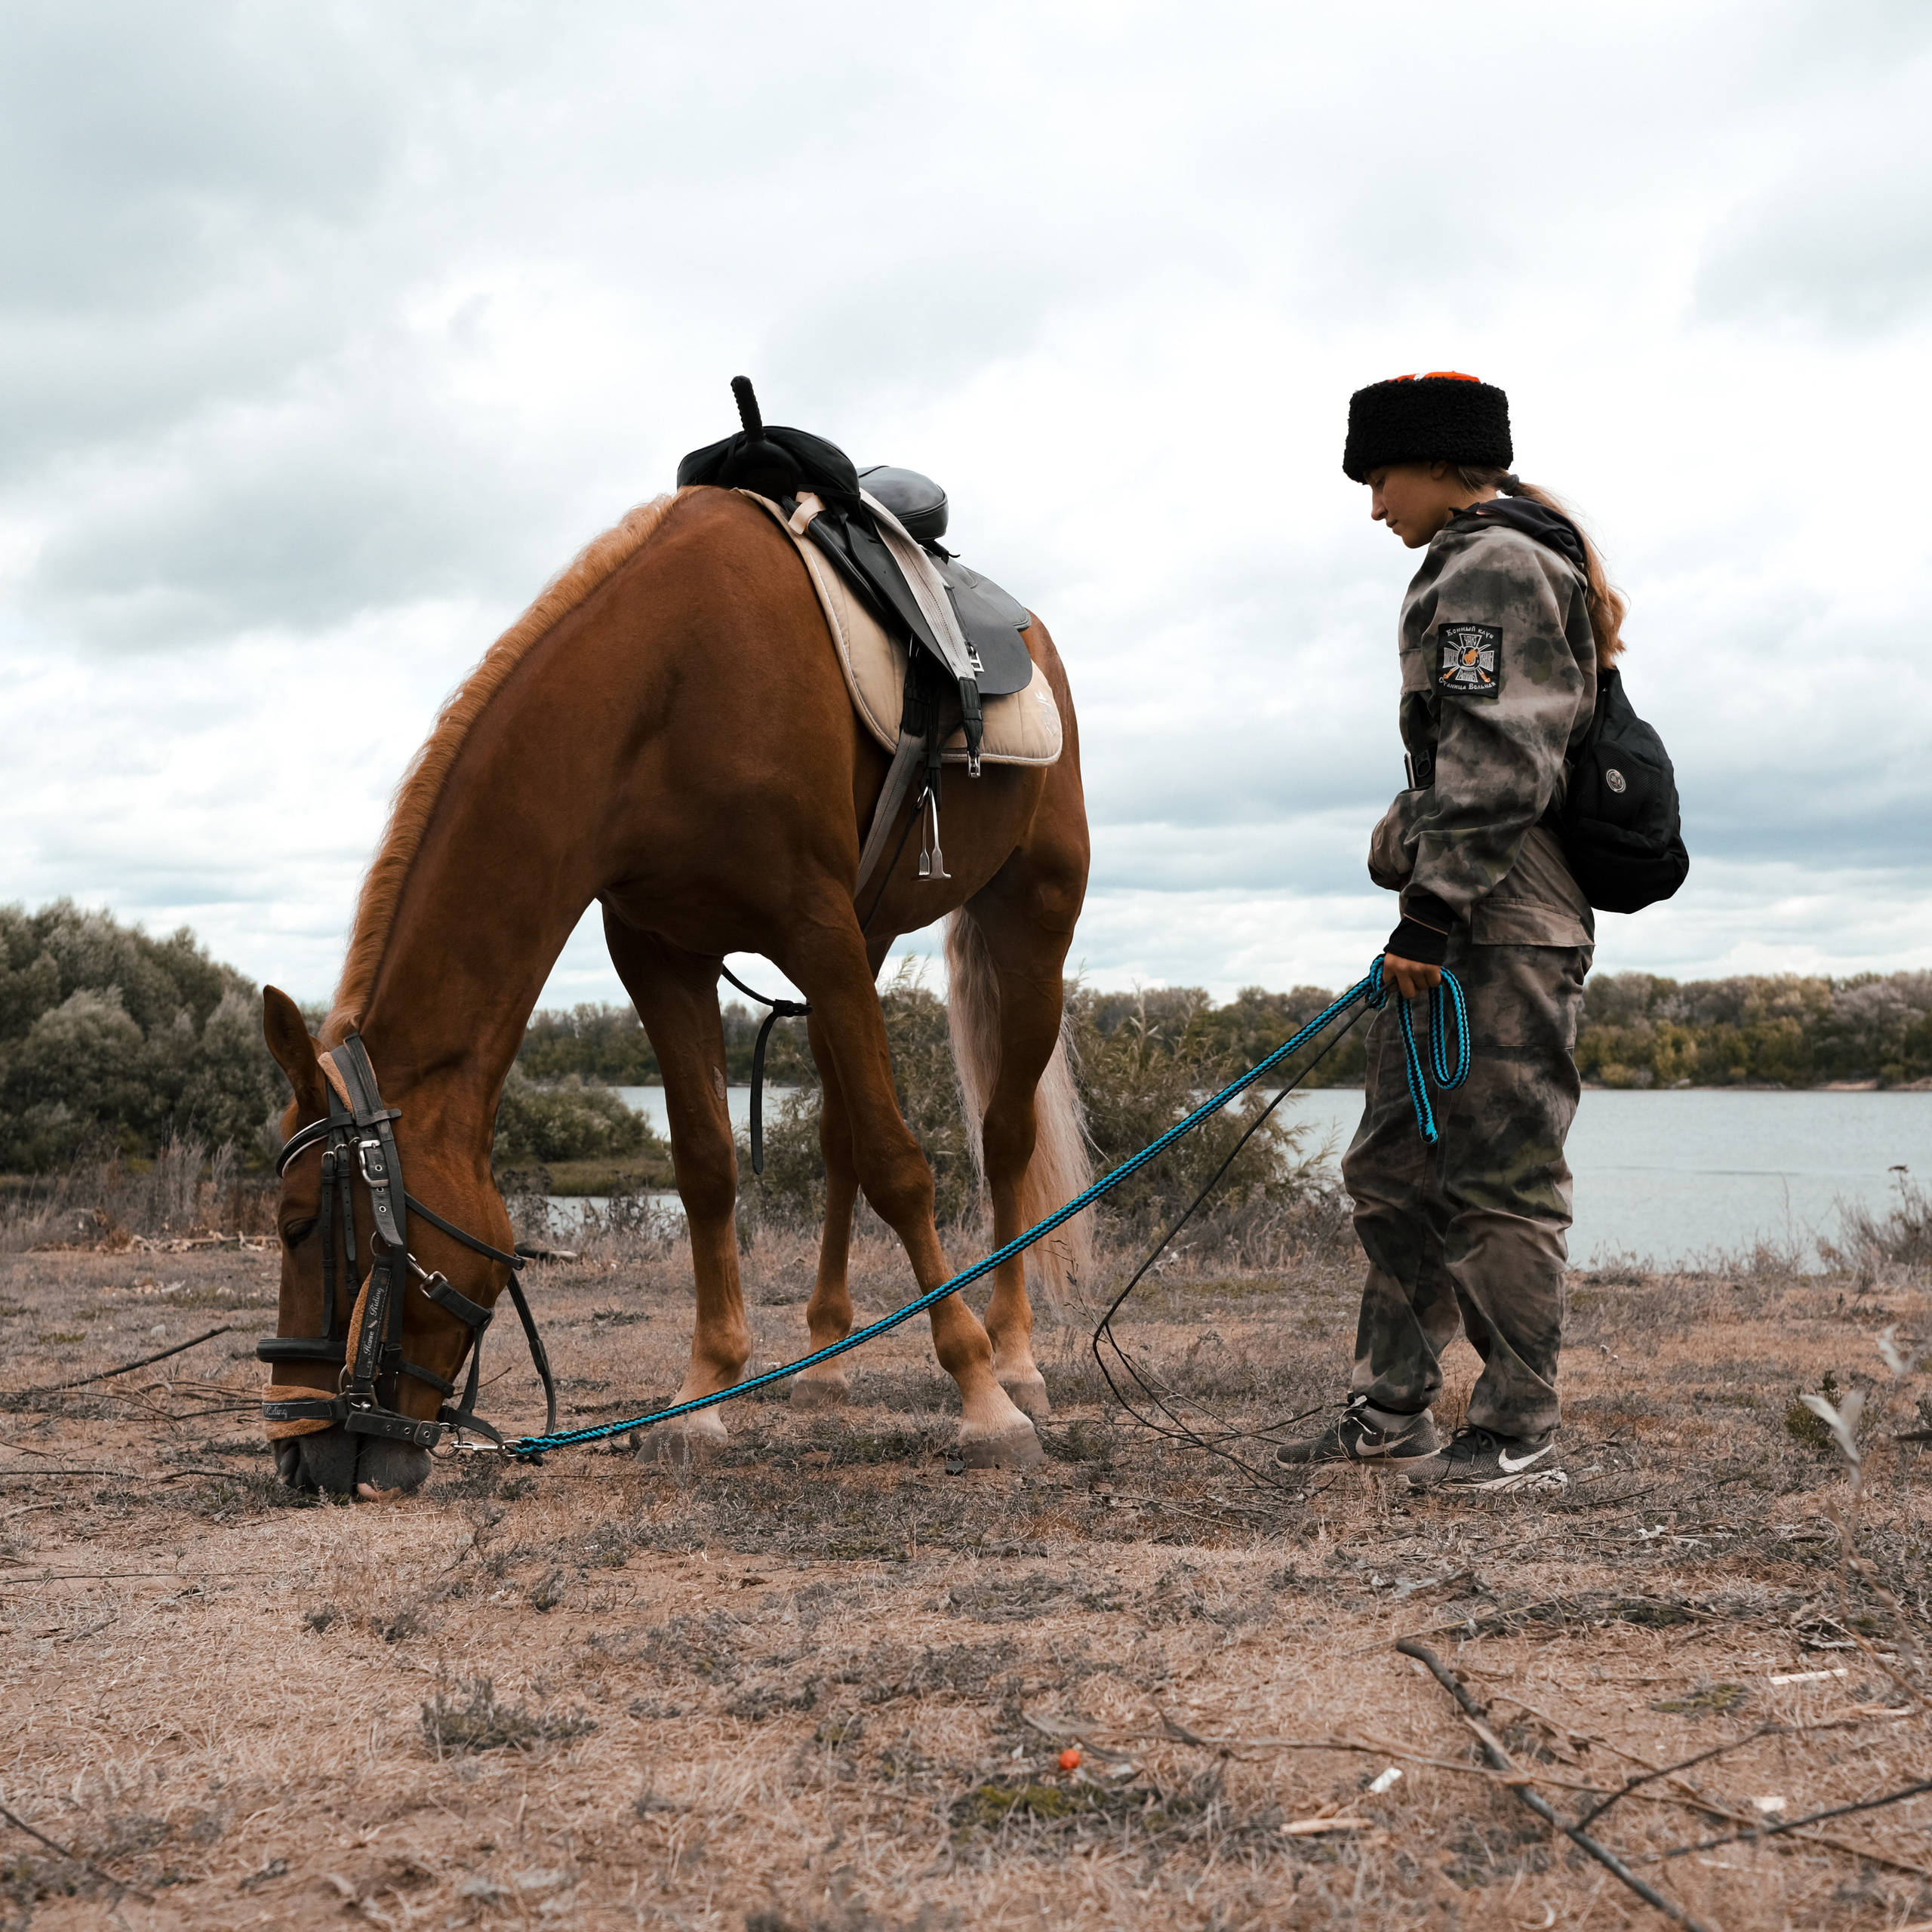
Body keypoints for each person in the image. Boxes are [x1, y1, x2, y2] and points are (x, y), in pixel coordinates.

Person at [1275, 371, 1626, 1494]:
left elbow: (1500, 763)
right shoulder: (1479, 563)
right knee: (1394, 1171)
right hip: (1454, 924)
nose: (1374, 504)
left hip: (1498, 928)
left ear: (1436, 465)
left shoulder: (1494, 567)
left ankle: (1519, 1431)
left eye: (1381, 476)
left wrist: (1424, 913)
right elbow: (1459, 767)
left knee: (1500, 1179)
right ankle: (1392, 1411)